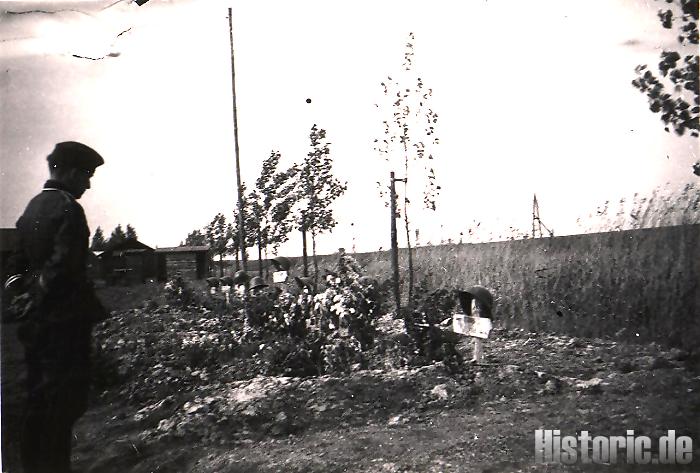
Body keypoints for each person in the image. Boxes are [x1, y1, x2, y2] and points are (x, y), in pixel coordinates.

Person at [6, 141, 108, 473]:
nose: (89, 184)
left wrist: (23, 295)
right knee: (63, 406)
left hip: (36, 324)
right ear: (66, 172)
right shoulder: (69, 209)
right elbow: (64, 267)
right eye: (86, 174)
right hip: (64, 323)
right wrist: (42, 292)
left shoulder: (32, 207)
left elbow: (15, 266)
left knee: (38, 402)